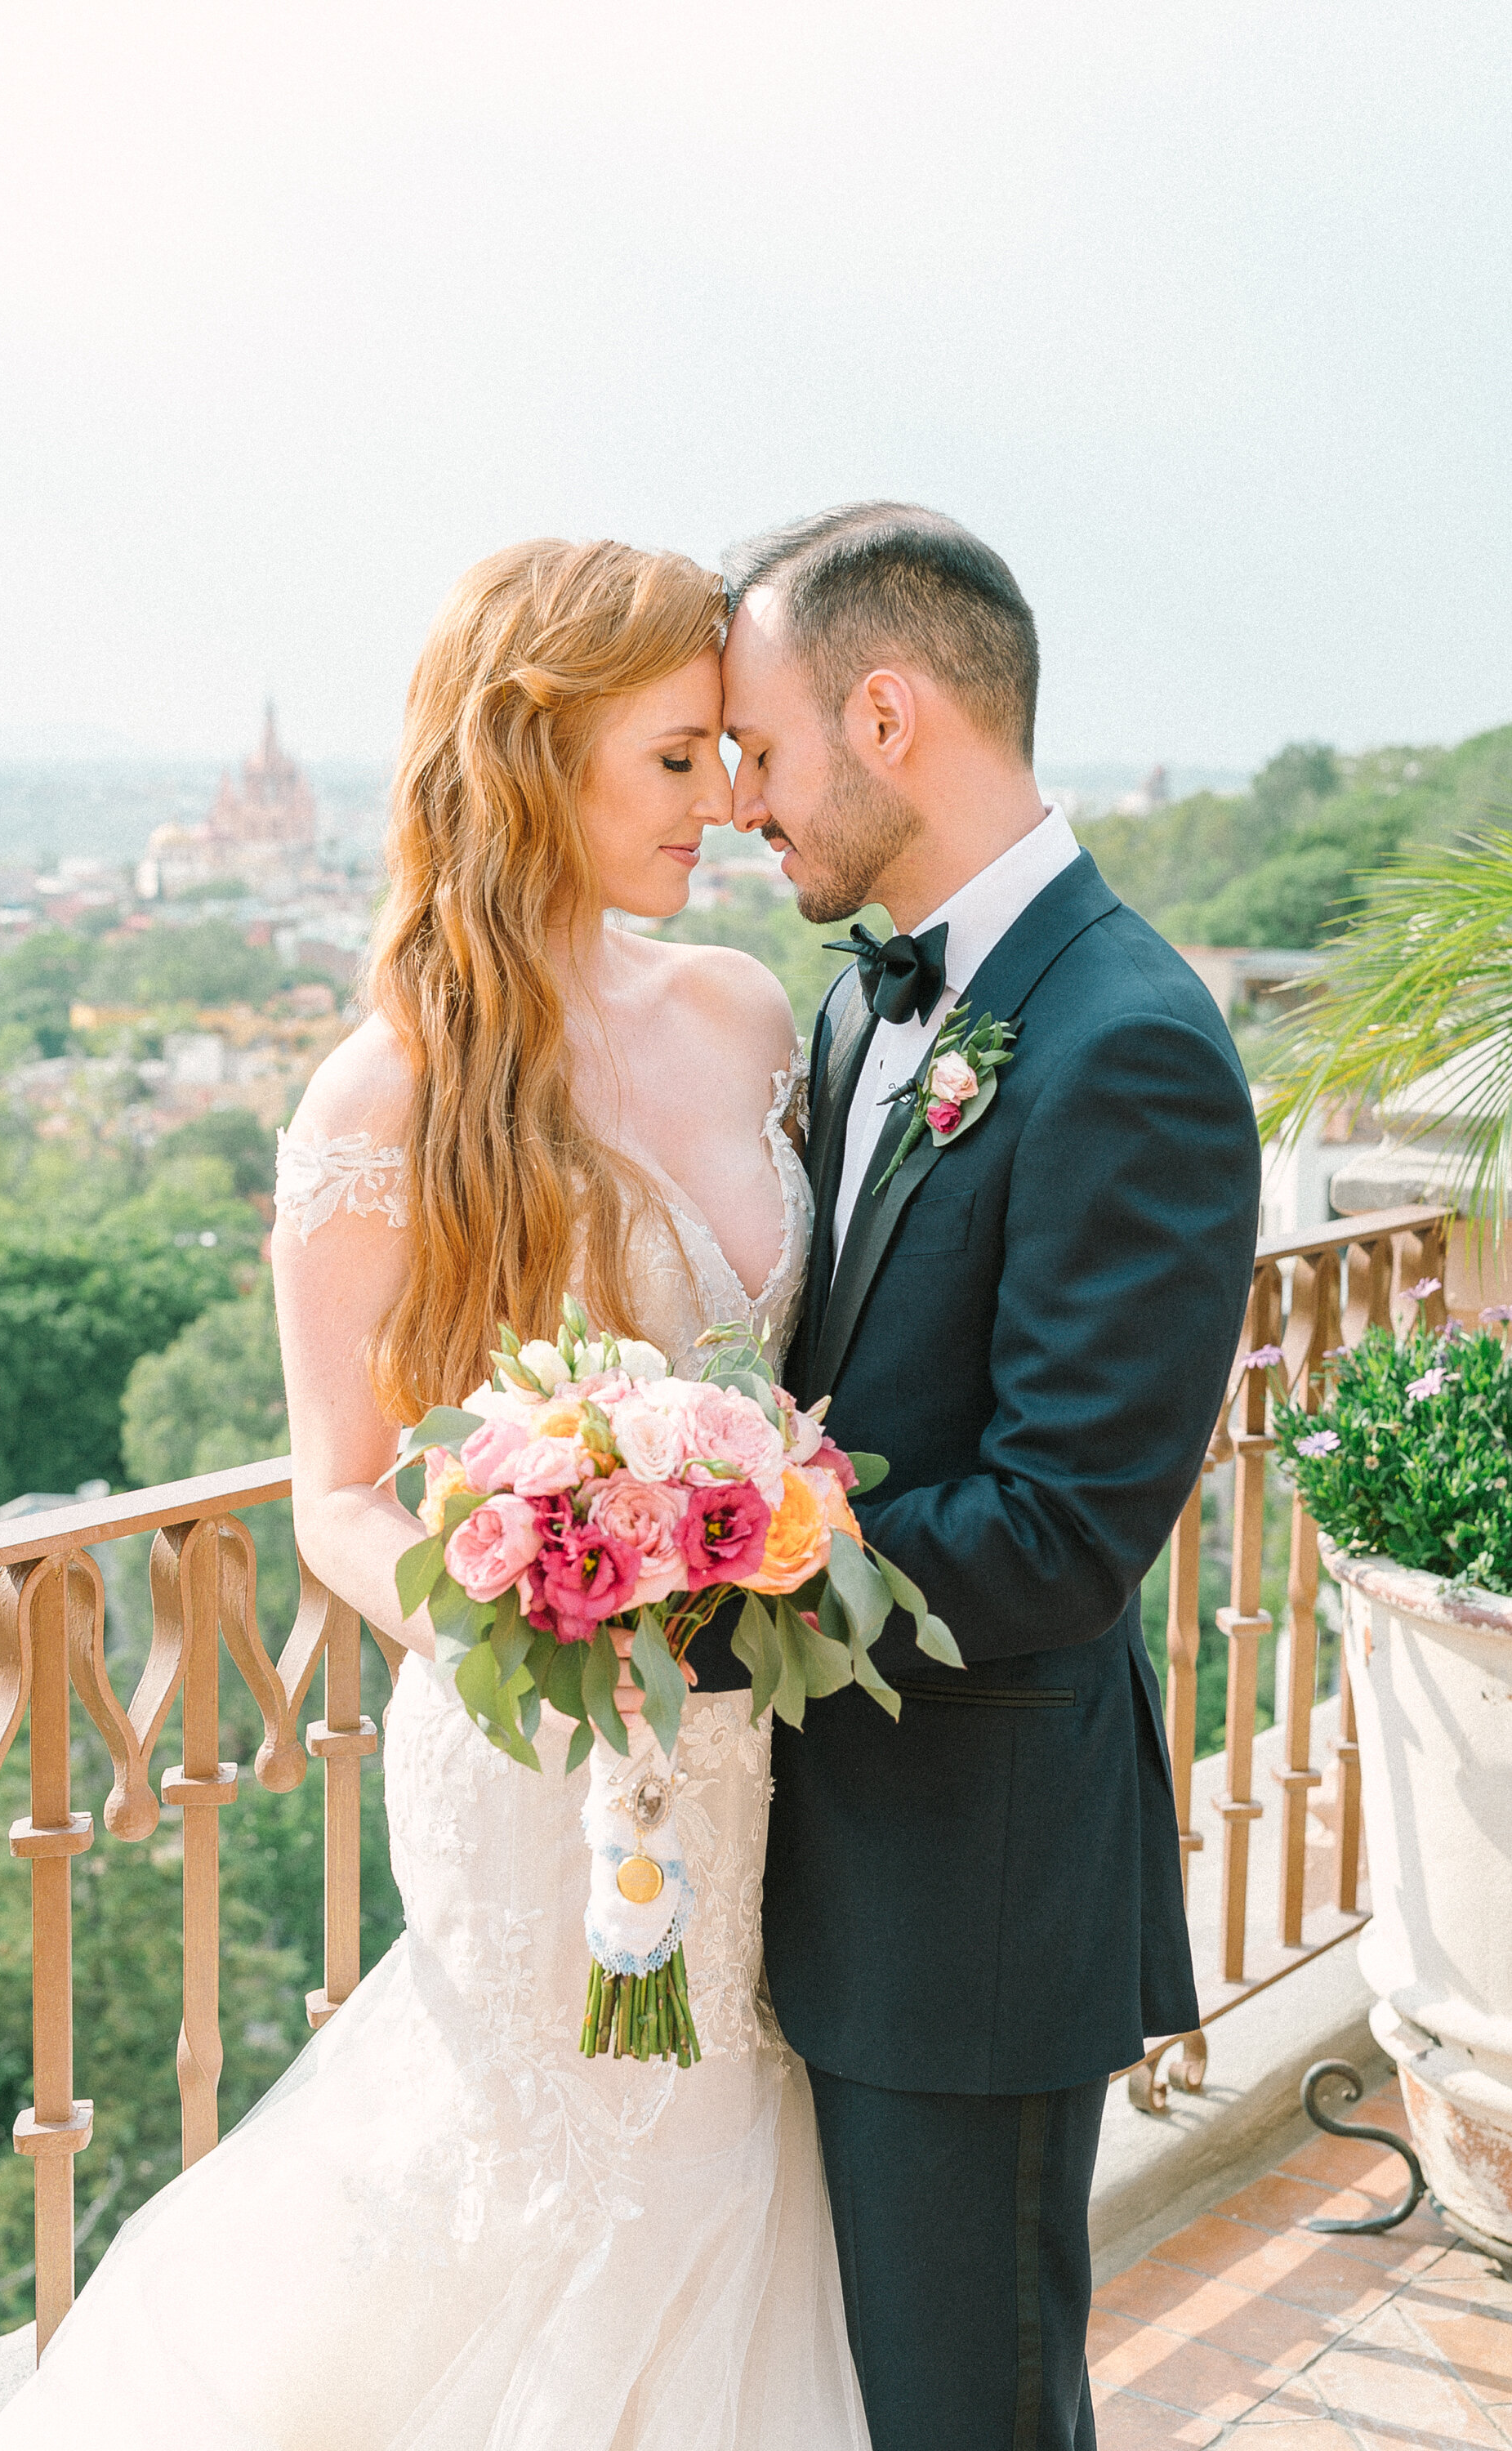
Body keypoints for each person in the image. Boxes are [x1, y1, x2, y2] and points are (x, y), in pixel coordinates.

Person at [0, 538, 868, 2450]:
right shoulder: (380, 1103)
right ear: (535, 755)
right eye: (675, 761)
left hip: (759, 1747)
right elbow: (339, 1496)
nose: (726, 803)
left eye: (728, 756)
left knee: (737, 2170)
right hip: (536, 1755)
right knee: (552, 2193)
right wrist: (530, 1609)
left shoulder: (741, 1015)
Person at [720, 502, 1261, 2451]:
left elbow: (1061, 1526)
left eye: (760, 752)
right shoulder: (870, 998)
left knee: (968, 2419)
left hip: (973, 1891)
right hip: (787, 1856)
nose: (736, 807)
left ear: (887, 715)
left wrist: (709, 1577)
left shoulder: (1135, 1045)